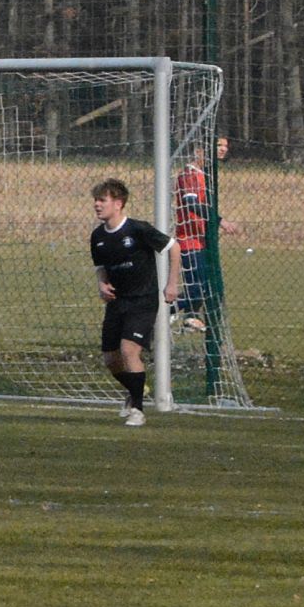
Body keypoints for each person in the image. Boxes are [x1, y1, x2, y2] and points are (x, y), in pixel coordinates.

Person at [90, 178, 180, 428]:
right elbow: (100, 267)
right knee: (111, 359)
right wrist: (102, 284)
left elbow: (174, 248)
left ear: (118, 203)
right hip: (117, 303)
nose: (97, 205)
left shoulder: (138, 229)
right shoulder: (97, 236)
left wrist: (172, 284)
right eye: (95, 200)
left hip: (143, 300)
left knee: (129, 350)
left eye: (102, 200)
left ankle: (138, 410)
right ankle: (136, 390)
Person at [173, 136, 241, 331]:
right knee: (196, 291)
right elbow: (192, 203)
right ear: (199, 151)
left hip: (202, 241)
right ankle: (158, 314)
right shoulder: (190, 174)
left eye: (225, 146)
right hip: (189, 241)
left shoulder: (205, 175)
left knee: (203, 288)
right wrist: (220, 221)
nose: (223, 150)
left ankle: (189, 318)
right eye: (218, 145)